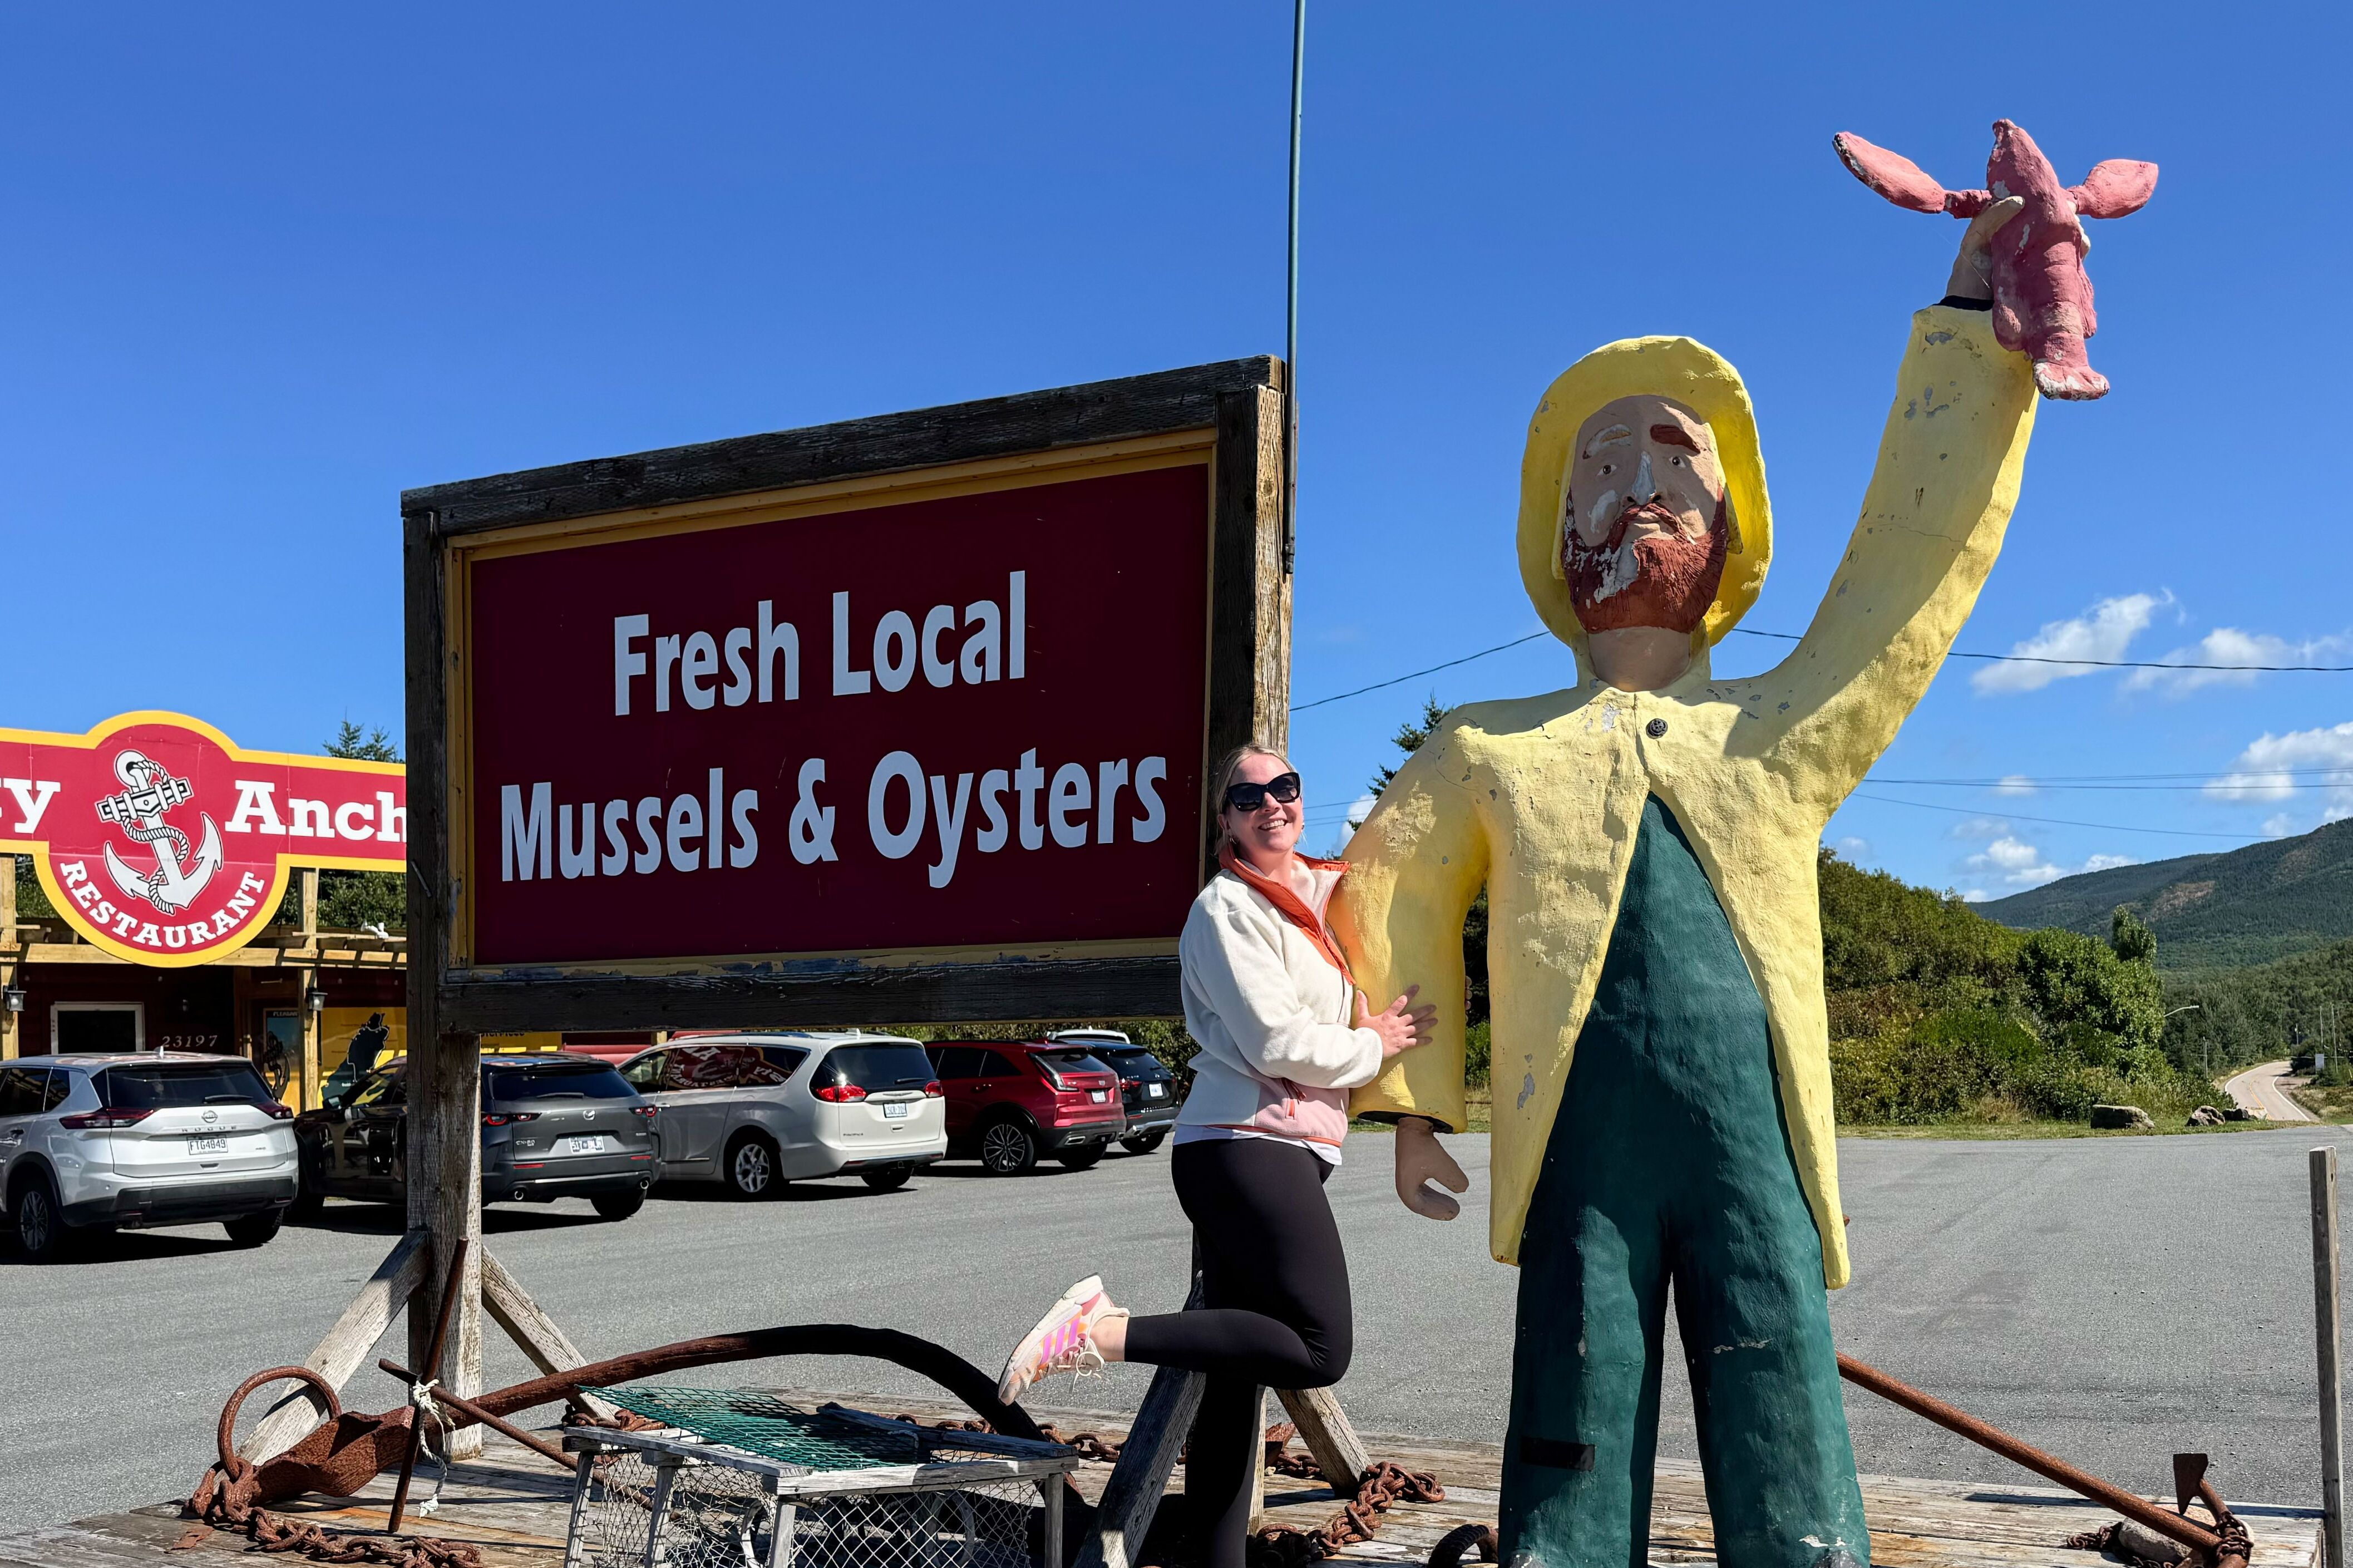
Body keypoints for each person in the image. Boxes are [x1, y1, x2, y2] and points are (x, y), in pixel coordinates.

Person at [1335, 197, 2054, 1568]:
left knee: (1780, 1393)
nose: (1642, 483)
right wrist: (1415, 1105)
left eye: (1678, 458)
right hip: (1578, 1157)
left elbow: (1905, 578)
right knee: (1575, 1395)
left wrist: (1972, 326)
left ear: (1732, 523)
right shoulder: (1484, 747)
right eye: (1602, 464)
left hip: (1754, 1147)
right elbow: (1392, 888)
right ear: (1554, 529)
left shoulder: (1780, 725)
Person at [995, 744, 1435, 1568]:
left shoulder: (1306, 897)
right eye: (1248, 796)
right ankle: (1097, 1330)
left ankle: (1216, 1558)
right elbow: (1276, 1042)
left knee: (1233, 1386)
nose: (1272, 804)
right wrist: (1371, 1044)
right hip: (1244, 1147)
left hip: (1276, 1147)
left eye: (1285, 787)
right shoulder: (1225, 909)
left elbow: (1366, 881)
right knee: (1319, 1346)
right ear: (1225, 820)